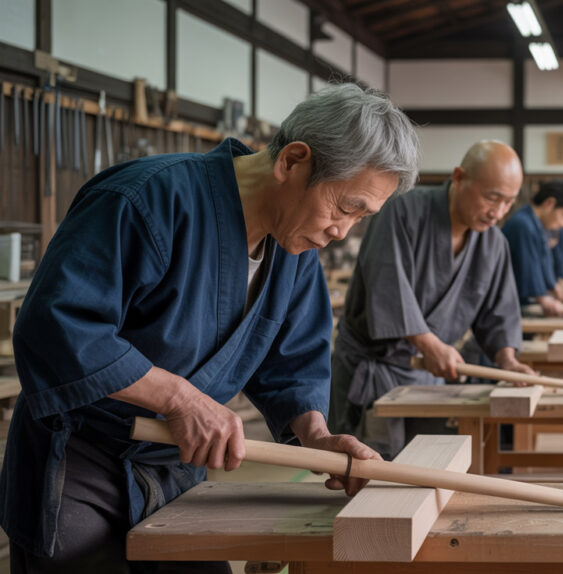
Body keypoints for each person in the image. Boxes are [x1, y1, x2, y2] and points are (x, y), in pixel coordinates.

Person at [1, 83, 419, 573]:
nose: (342, 232)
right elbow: (56, 325)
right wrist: (180, 399)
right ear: (293, 161)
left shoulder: (294, 247)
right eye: (346, 208)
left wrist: (319, 438)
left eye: (361, 218)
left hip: (175, 468)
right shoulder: (147, 198)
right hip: (81, 463)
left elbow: (291, 362)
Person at [329, 141, 535, 458]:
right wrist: (432, 346)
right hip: (375, 369)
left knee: (427, 469)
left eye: (508, 203)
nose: (498, 212)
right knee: (363, 476)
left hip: (430, 377)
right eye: (492, 198)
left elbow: (500, 314)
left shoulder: (494, 244)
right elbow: (388, 289)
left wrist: (508, 361)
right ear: (459, 177)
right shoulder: (402, 211)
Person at [503, 180, 563, 317]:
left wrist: (557, 291)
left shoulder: (537, 226)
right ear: (549, 204)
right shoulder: (523, 225)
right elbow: (527, 267)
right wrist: (543, 298)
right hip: (510, 305)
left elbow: (543, 262)